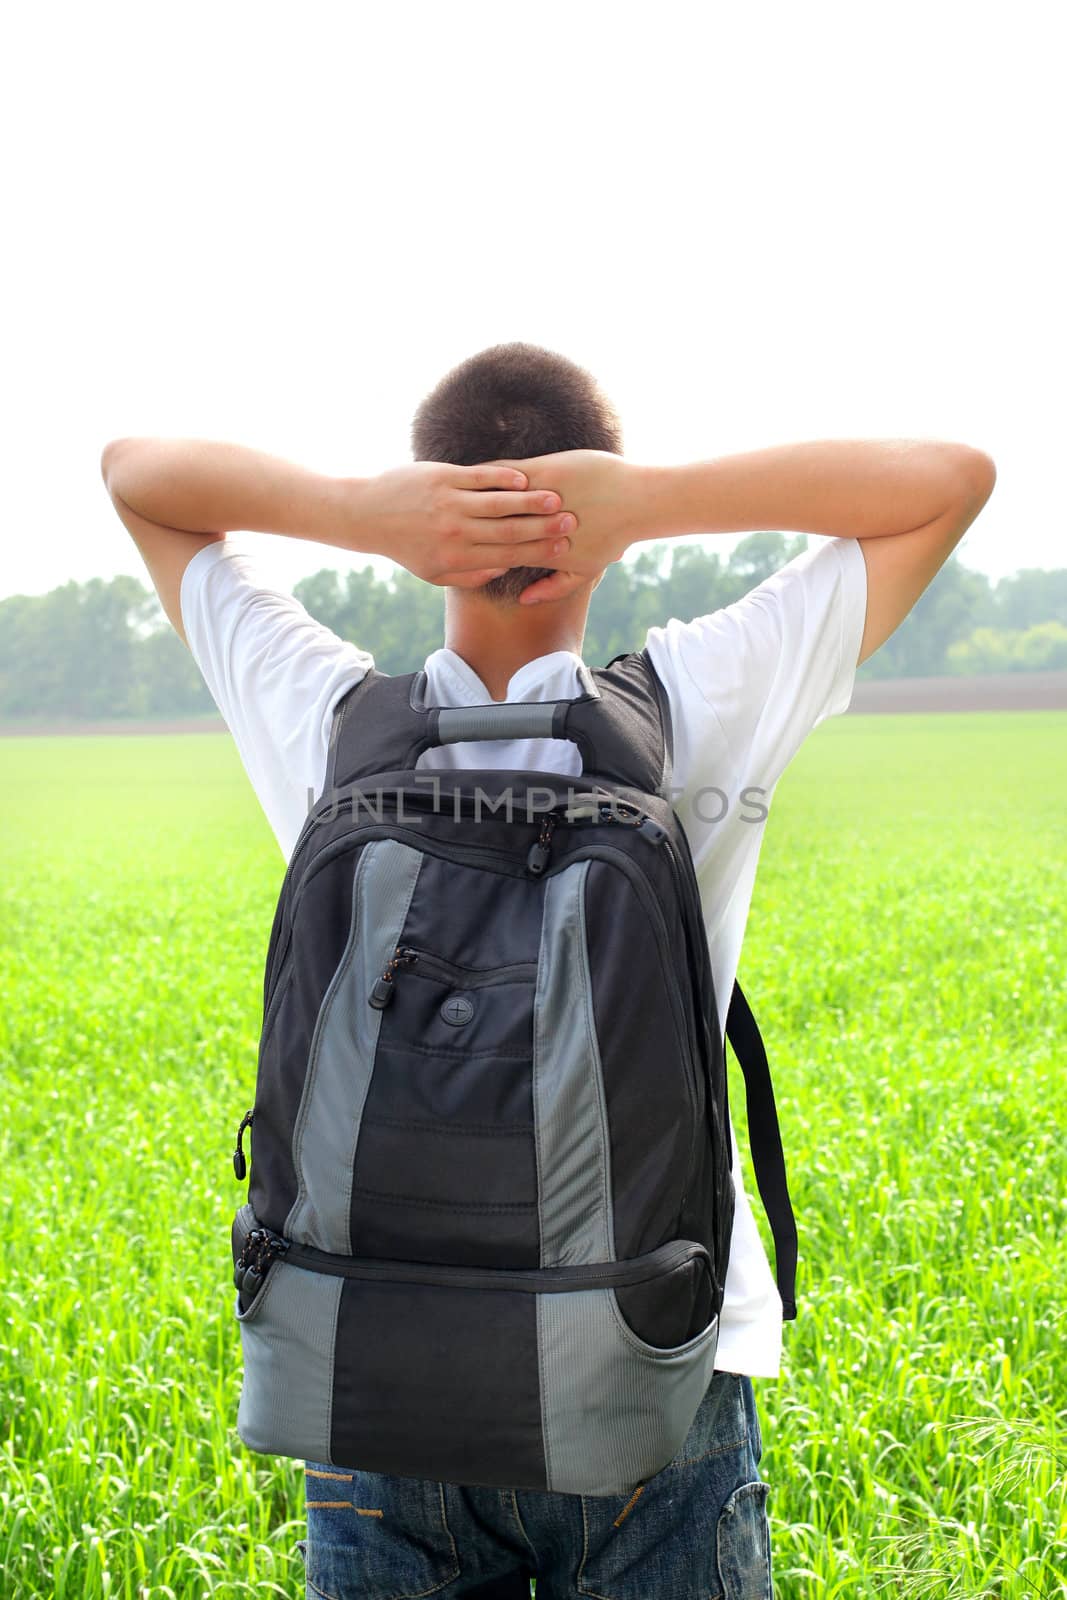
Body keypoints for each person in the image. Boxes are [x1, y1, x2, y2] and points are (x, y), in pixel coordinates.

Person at [101, 341, 995, 1600]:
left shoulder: (330, 720)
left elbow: (137, 475)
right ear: (602, 524)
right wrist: (643, 504)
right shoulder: (694, 702)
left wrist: (361, 516)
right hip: (648, 1356)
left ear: (423, 499)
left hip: (367, 1357)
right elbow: (945, 479)